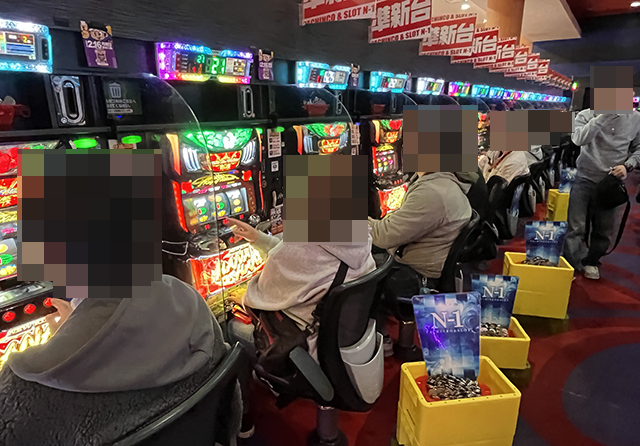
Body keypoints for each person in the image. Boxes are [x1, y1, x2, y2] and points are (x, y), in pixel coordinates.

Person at [0, 275, 241, 446]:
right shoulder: (190, 301)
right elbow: (230, 414)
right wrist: (77, 327)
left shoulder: (22, 384)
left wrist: (71, 335)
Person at [225, 217, 376, 440]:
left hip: (307, 346)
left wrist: (242, 297)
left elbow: (259, 297)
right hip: (345, 340)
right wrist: (258, 238)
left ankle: (242, 420)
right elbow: (293, 255)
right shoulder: (357, 232)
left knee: (233, 327)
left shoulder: (305, 242)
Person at [564, 107, 640, 279]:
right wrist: (604, 116)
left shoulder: (635, 118)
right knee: (576, 226)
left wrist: (628, 165)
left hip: (612, 181)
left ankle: (591, 261)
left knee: (604, 228)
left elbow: (638, 148)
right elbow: (578, 139)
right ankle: (571, 264)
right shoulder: (586, 115)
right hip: (584, 177)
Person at [368, 172, 472, 284]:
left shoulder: (431, 193)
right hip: (421, 259)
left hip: (417, 275)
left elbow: (384, 235)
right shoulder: (444, 182)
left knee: (355, 270)